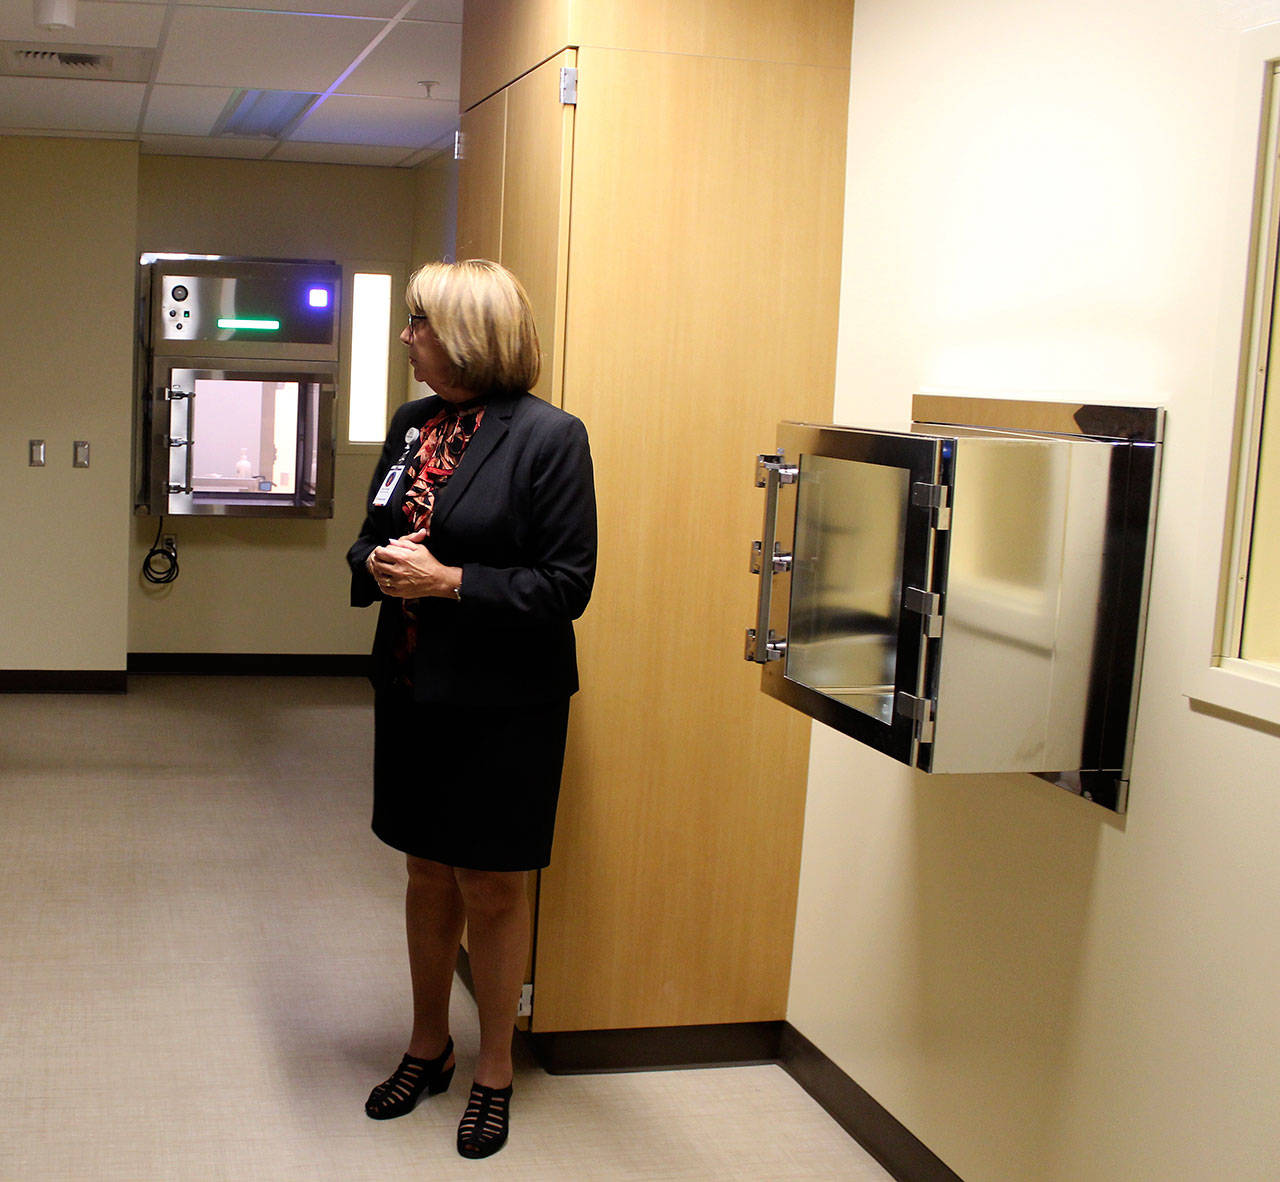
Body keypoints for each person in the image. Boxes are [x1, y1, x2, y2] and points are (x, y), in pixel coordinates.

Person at [346, 259, 597, 1159]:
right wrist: (376, 565)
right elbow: (375, 532)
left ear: (465, 335)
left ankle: (496, 1069)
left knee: (492, 887)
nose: (407, 336)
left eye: (419, 323)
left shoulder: (550, 438)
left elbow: (568, 586)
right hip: (415, 691)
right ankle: (428, 1045)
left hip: (504, 705)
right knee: (424, 875)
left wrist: (449, 581)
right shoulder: (415, 424)